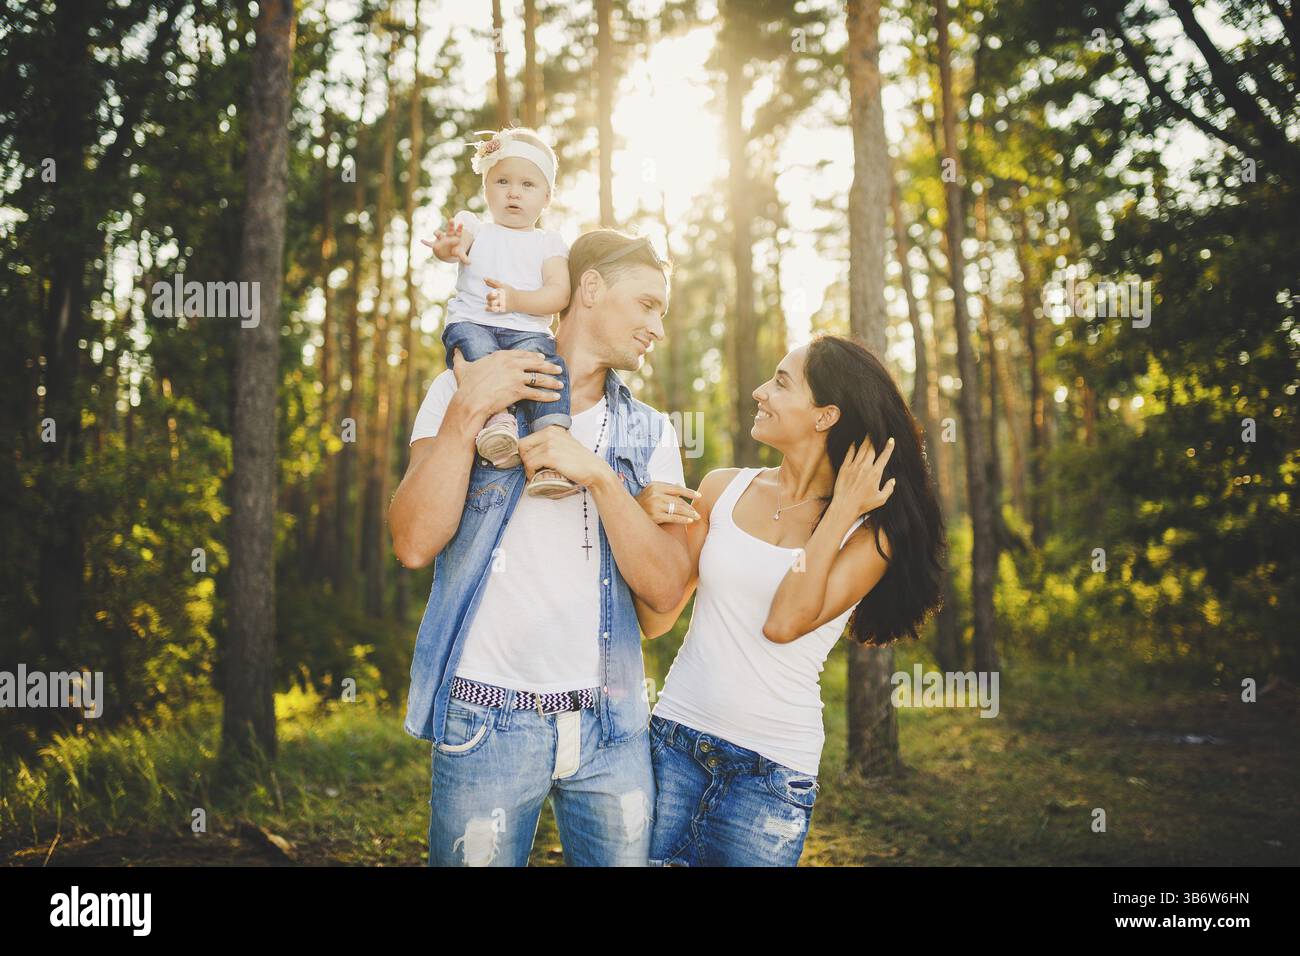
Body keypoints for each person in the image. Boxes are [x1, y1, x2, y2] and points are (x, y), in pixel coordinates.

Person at [391, 230, 690, 866]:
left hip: (613, 726)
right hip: (484, 720)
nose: (656, 328)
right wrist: (470, 411)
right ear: (589, 289)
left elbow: (665, 591)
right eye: (646, 304)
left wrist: (602, 478)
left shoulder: (651, 432)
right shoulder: (456, 392)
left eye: (661, 312)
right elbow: (413, 542)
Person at [632, 334, 947, 866]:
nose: (759, 391)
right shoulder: (721, 488)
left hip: (770, 774)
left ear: (825, 415)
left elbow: (785, 621)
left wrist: (843, 509)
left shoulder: (871, 536)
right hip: (674, 745)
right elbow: (655, 617)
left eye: (780, 382)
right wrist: (644, 524)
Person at [424, 126, 577, 498]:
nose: (513, 192)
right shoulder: (476, 226)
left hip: (527, 331)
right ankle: (498, 423)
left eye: (527, 185)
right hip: (474, 323)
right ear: (486, 188)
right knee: (476, 352)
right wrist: (448, 247)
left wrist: (516, 300)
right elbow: (457, 241)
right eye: (502, 181)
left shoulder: (548, 242)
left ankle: (550, 452)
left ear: (546, 197)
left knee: (549, 370)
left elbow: (558, 293)